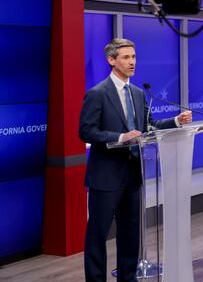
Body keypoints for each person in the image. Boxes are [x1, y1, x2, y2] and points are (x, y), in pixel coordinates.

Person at [79, 38, 191, 282]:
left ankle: (128, 278)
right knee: (97, 235)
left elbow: (147, 127)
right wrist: (120, 137)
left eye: (134, 57)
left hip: (133, 174)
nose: (132, 62)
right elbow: (86, 131)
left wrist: (175, 122)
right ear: (112, 60)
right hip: (106, 177)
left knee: (130, 235)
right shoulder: (97, 94)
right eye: (126, 57)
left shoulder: (138, 93)